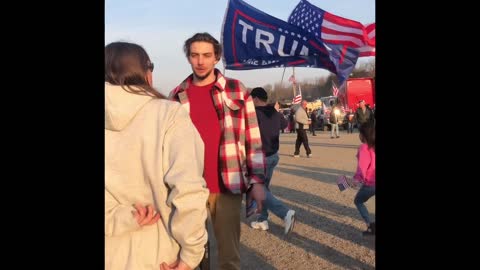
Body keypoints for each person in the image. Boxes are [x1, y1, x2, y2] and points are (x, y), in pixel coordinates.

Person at [105, 42, 209, 270]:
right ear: (146, 73)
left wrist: (124, 218)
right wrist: (191, 255)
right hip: (161, 255)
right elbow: (188, 189)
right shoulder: (169, 114)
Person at [169, 32, 266, 270]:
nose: (200, 61)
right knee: (190, 256)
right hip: (187, 188)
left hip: (227, 187)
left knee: (229, 257)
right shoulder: (176, 95)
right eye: (194, 55)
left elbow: (252, 137)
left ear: (216, 58)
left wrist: (257, 181)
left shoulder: (236, 89)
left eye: (206, 55)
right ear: (188, 58)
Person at [249, 87, 296, 235]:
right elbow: (284, 125)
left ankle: (285, 213)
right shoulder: (274, 112)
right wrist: (275, 111)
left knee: (257, 189)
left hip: (261, 157)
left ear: (256, 98)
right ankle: (263, 219)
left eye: (251, 99)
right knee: (264, 189)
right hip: (273, 156)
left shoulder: (255, 114)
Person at [352, 122, 376, 236]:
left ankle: (370, 225)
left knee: (358, 201)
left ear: (363, 135)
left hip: (370, 184)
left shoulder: (364, 148)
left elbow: (362, 167)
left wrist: (356, 180)